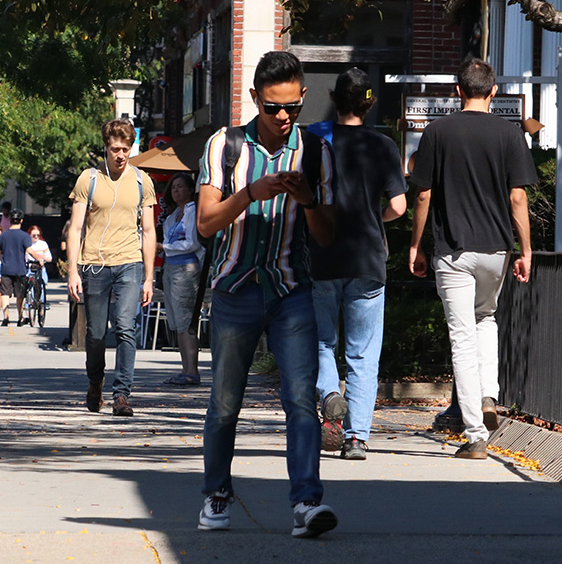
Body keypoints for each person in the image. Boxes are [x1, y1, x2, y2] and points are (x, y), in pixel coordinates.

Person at [195, 51, 338, 538]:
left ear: (303, 98)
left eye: (292, 107)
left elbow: (326, 236)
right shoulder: (226, 145)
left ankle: (306, 503)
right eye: (272, 106)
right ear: (255, 97)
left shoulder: (315, 151)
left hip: (290, 289)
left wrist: (308, 200)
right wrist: (250, 194)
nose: (282, 117)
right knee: (224, 403)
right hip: (235, 288)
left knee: (300, 399)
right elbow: (206, 222)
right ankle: (216, 494)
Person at [408, 58, 537, 460]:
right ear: (493, 91)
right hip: (496, 249)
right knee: (486, 319)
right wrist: (525, 250)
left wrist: (415, 245)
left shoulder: (438, 132)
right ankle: (488, 395)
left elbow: (423, 194)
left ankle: (476, 435)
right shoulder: (510, 134)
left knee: (461, 337)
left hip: (454, 250)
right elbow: (518, 197)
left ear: (457, 91)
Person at [307, 68, 407, 461]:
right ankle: (356, 438)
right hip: (367, 256)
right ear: (370, 102)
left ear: (334, 97)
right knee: (363, 354)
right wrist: (374, 218)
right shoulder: (383, 146)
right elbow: (398, 206)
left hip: (323, 252)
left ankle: (330, 394)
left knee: (321, 341)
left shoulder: (314, 140)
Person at [67, 118, 157, 418]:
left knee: (125, 327)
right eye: (116, 149)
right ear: (106, 147)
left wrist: (148, 278)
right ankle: (96, 382)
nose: (121, 155)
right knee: (95, 334)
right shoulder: (89, 179)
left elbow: (149, 231)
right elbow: (75, 228)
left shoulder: (142, 181)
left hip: (129, 263)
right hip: (95, 264)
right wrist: (72, 271)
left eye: (126, 149)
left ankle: (121, 395)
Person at [160, 172, 204, 385]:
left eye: (180, 186)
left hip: (186, 269)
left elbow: (192, 243)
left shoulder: (193, 212)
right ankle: (185, 369)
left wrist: (164, 247)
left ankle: (192, 371)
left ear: (190, 189)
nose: (176, 190)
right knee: (176, 322)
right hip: (170, 268)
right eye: (173, 187)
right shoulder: (173, 215)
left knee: (186, 320)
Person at [0, 210, 33, 327]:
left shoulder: (3, 235)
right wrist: (40, 259)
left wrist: (4, 261)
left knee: (5, 294)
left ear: (10, 220)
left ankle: (5, 317)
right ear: (21, 221)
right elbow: (29, 250)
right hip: (20, 269)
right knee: (20, 295)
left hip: (6, 269)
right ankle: (20, 317)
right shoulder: (24, 236)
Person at [24, 225, 53, 324]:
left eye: (38, 235)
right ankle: (28, 311)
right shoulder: (27, 244)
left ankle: (41, 307)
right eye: (34, 235)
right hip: (30, 267)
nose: (36, 237)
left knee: (41, 286)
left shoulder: (43, 244)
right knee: (29, 289)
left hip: (40, 268)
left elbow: (50, 258)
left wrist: (43, 256)